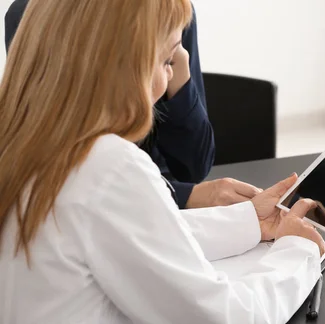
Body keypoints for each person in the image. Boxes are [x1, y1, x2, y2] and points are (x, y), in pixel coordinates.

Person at [0, 0, 325, 324]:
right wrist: (298, 251)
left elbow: (110, 231)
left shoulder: (26, 141)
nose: (167, 79)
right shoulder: (107, 166)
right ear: (120, 64)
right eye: (167, 61)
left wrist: (247, 223)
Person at [4, 0, 262, 210]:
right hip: (111, 202)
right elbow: (63, 170)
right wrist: (186, 196)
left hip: (150, 196)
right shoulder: (33, 13)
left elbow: (193, 166)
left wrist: (177, 73)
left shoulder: (170, 9)